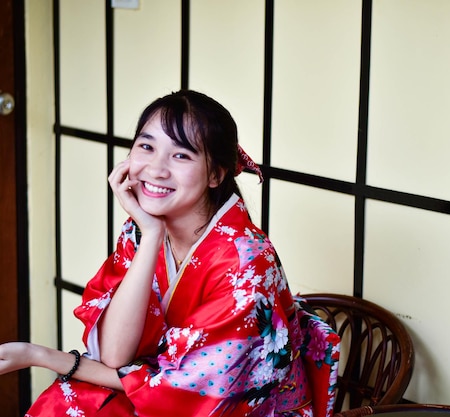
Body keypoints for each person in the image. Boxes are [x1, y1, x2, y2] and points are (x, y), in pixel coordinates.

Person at [0, 90, 340, 417]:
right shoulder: (144, 228)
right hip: (156, 391)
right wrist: (150, 236)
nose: (156, 169)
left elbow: (192, 393)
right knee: (68, 400)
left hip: (230, 407)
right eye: (146, 146)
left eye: (181, 155)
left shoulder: (245, 260)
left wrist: (43, 356)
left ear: (215, 174)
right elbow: (117, 355)